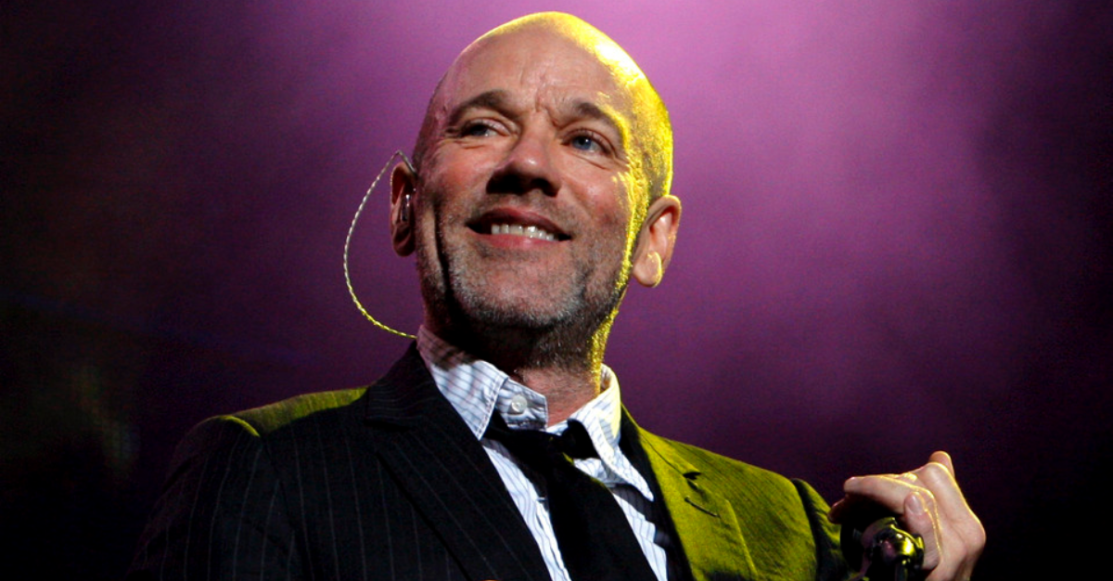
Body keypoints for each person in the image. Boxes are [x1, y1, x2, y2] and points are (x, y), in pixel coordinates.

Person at [128, 12, 984, 581]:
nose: (527, 164)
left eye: (586, 140)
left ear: (653, 239)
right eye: (481, 126)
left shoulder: (789, 529)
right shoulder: (266, 470)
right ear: (403, 205)